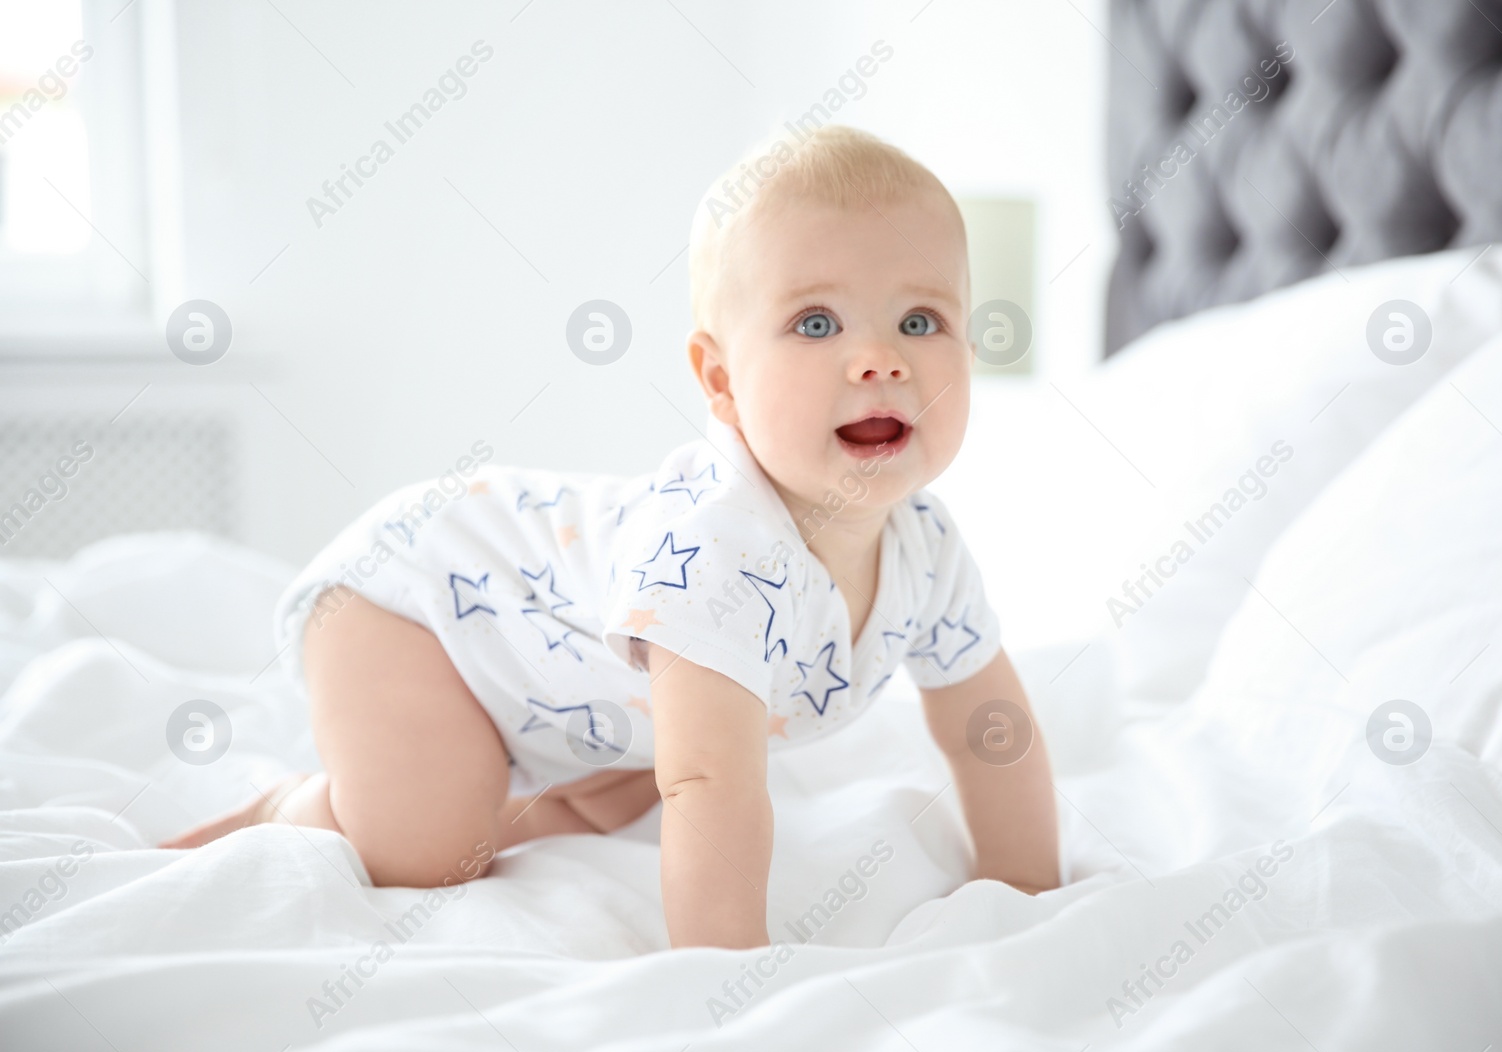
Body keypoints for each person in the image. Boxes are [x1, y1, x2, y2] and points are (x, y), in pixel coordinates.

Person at [164, 125, 1061, 949]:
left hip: (535, 660)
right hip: (413, 599)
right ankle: (294, 805)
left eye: (921, 320)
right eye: (816, 323)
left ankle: (515, 789)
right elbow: (710, 790)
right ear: (719, 379)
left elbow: (992, 724)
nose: (881, 358)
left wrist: (1028, 887)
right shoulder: (719, 551)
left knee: (638, 773)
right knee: (430, 848)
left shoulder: (926, 547)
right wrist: (727, 974)